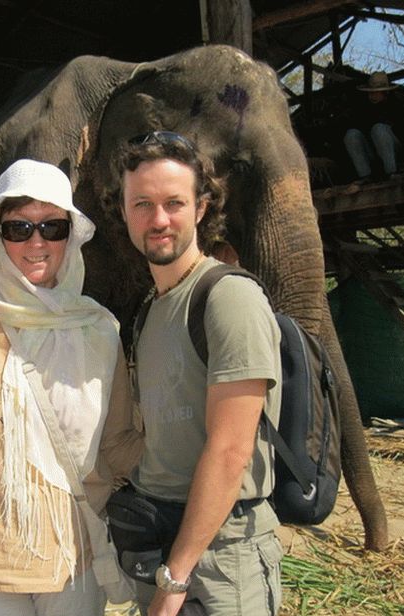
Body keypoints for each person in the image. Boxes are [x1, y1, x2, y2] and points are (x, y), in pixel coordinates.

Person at [0, 159, 143, 616]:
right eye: (18, 228)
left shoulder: (100, 330)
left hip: (75, 560)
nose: (37, 242)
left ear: (70, 236)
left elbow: (120, 441)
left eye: (52, 227)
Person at [113, 131, 283, 616]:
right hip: (161, 540)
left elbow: (231, 451)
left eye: (174, 203)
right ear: (124, 212)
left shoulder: (227, 298)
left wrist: (175, 578)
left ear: (201, 209)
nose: (158, 219)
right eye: (141, 204)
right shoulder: (151, 309)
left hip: (220, 555)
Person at [343, 71, 404, 182]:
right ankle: (365, 176)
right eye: (370, 93)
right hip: (372, 151)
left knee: (379, 129)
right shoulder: (363, 108)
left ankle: (391, 172)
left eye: (376, 93)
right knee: (351, 135)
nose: (372, 95)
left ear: (385, 92)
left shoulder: (397, 106)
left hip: (395, 150)